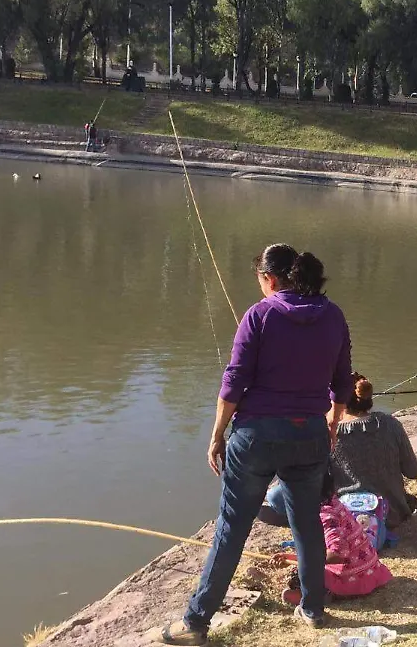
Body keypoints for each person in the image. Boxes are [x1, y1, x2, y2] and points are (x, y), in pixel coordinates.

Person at [155, 244, 357, 645]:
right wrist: (332, 422)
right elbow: (342, 379)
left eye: (261, 280)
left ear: (271, 279)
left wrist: (216, 434)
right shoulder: (333, 315)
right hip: (309, 435)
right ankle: (313, 608)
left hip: (255, 438)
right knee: (306, 522)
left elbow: (234, 383)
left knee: (231, 529)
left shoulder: (259, 315)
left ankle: (196, 622)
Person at [261, 379, 417, 530]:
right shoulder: (390, 424)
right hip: (394, 514)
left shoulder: (328, 434)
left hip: (347, 520)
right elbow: (413, 472)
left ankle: (306, 520)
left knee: (276, 495)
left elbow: (313, 481)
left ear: (337, 403)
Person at [273, 471, 392, 605]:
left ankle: (317, 594)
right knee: (305, 564)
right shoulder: (332, 502)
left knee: (303, 571)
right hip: (368, 571)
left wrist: (304, 563)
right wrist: (293, 557)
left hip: (352, 577)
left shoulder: (326, 517)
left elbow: (337, 553)